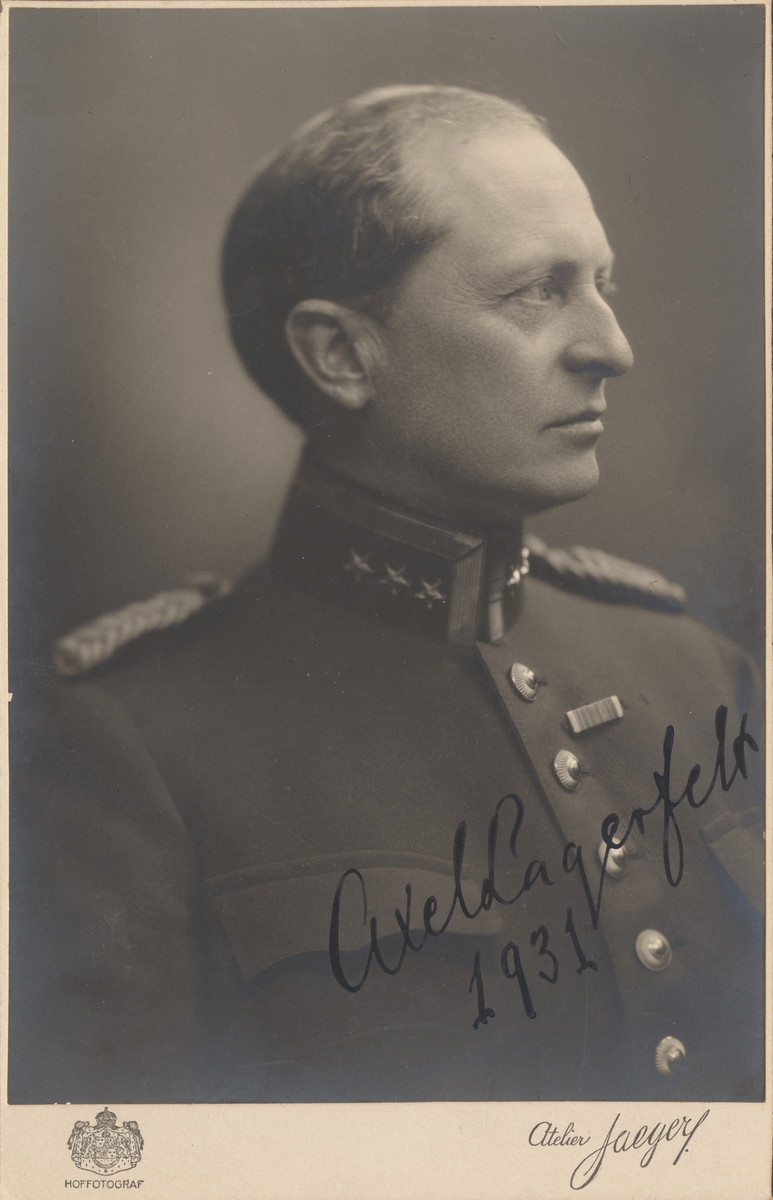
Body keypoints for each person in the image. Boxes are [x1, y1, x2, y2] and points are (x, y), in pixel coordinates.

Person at [10, 85, 763, 1105]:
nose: (611, 348)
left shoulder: (695, 671)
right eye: (535, 292)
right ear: (341, 355)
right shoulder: (130, 747)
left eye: (602, 283)